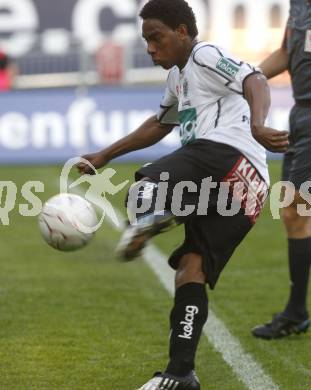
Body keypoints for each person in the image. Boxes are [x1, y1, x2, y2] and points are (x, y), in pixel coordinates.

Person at [78, 0, 288, 388]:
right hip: (250, 189)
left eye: (155, 38)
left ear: (182, 32)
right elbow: (159, 124)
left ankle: (157, 214)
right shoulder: (177, 79)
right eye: (145, 41)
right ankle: (181, 374)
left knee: (144, 187)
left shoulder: (204, 54)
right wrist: (105, 155)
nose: (150, 48)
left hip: (225, 153)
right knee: (191, 269)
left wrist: (258, 124)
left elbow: (254, 78)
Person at [251, 0, 311, 340]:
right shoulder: (299, 5)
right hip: (301, 115)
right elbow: (287, 53)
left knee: (297, 210)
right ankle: (297, 310)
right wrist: (246, 78)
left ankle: (296, 311)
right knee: (295, 212)